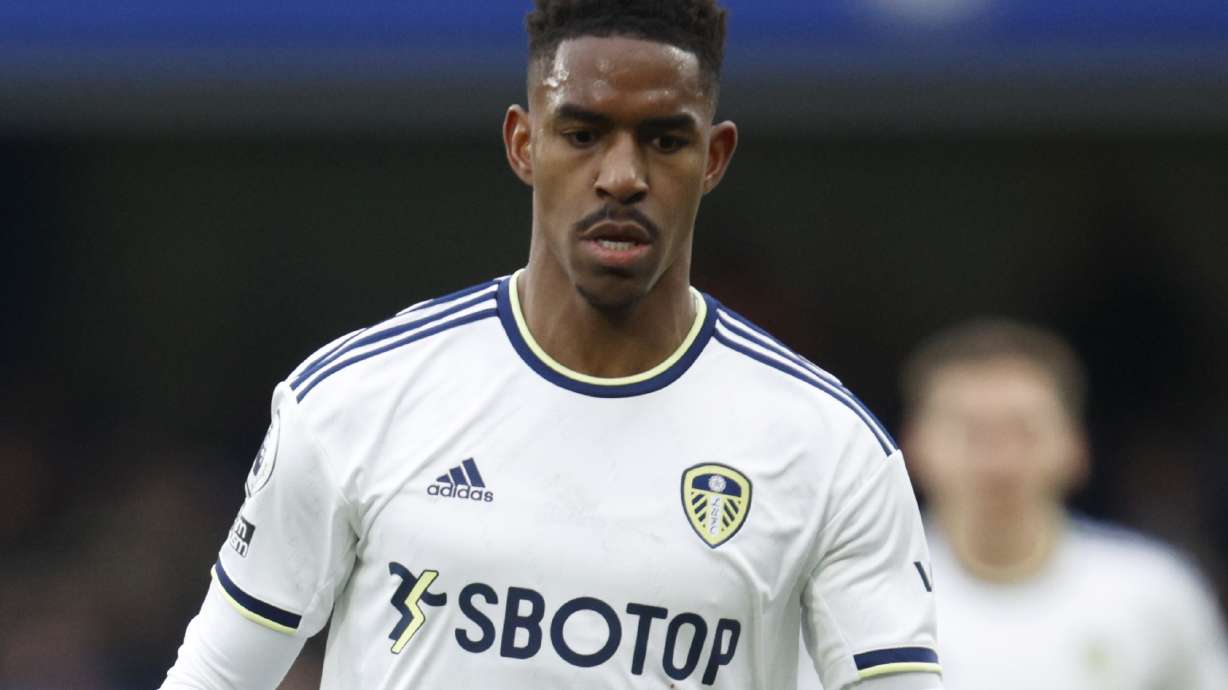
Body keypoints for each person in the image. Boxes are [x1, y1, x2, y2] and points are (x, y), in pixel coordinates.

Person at [160, 2, 942, 688]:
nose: (622, 176)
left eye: (665, 140)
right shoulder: (356, 399)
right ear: (523, 143)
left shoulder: (830, 448)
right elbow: (217, 675)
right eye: (584, 133)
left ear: (714, 158)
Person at [800, 319, 1228, 690]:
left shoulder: (1155, 592)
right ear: (913, 446)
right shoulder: (852, 595)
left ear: (1075, 444)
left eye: (1024, 430)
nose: (999, 462)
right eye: (971, 433)